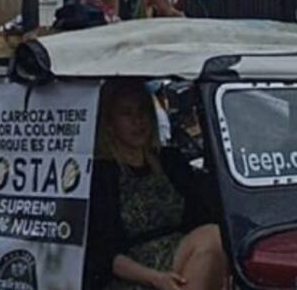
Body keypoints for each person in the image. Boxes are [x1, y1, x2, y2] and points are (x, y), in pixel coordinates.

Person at [86, 80, 226, 290]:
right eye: (126, 113)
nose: (138, 121)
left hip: (182, 255)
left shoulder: (171, 160)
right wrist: (154, 278)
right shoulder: (101, 174)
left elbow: (200, 216)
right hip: (133, 272)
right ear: (109, 122)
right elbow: (102, 253)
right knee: (211, 238)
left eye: (142, 110)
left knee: (215, 238)